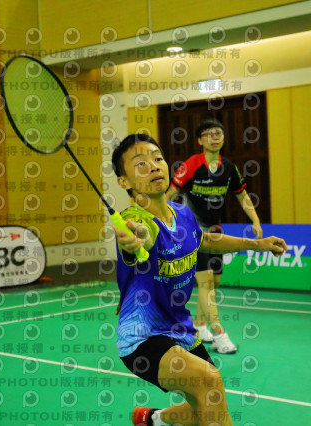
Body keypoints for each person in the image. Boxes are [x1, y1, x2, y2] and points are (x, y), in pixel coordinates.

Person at [111, 133, 286, 426]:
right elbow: (141, 236)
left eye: (157, 158)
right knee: (209, 380)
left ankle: (151, 418)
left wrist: (256, 244)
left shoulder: (182, 214)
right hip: (143, 337)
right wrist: (136, 240)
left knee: (204, 406)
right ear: (124, 181)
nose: (153, 166)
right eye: (140, 163)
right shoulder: (135, 220)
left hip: (181, 329)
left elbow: (203, 240)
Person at [166, 118, 262, 354]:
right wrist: (163, 221)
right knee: (206, 281)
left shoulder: (228, 168)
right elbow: (169, 194)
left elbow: (242, 195)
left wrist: (255, 219)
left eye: (218, 133)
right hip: (192, 231)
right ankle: (219, 334)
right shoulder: (191, 165)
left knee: (214, 282)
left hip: (215, 230)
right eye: (208, 134)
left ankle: (199, 325)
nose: (214, 137)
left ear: (223, 138)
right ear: (200, 140)